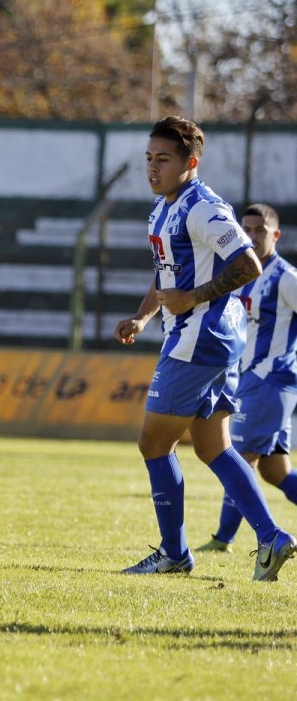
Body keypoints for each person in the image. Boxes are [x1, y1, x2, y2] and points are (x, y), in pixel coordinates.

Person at [114, 116, 294, 580]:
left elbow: (249, 265)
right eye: (149, 158)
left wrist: (192, 298)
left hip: (200, 338)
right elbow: (166, 273)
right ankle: (272, 537)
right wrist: (143, 316)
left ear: (190, 164)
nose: (153, 168)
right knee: (214, 447)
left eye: (163, 159)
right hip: (208, 339)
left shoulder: (204, 208)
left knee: (154, 443)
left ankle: (175, 554)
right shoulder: (163, 207)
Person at [194, 203, 297, 554]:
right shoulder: (239, 273)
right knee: (275, 471)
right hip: (249, 379)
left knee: (239, 457)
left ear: (276, 235)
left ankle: (223, 538)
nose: (251, 237)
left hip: (270, 382)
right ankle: (226, 537)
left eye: (259, 231)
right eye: (246, 230)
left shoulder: (286, 278)